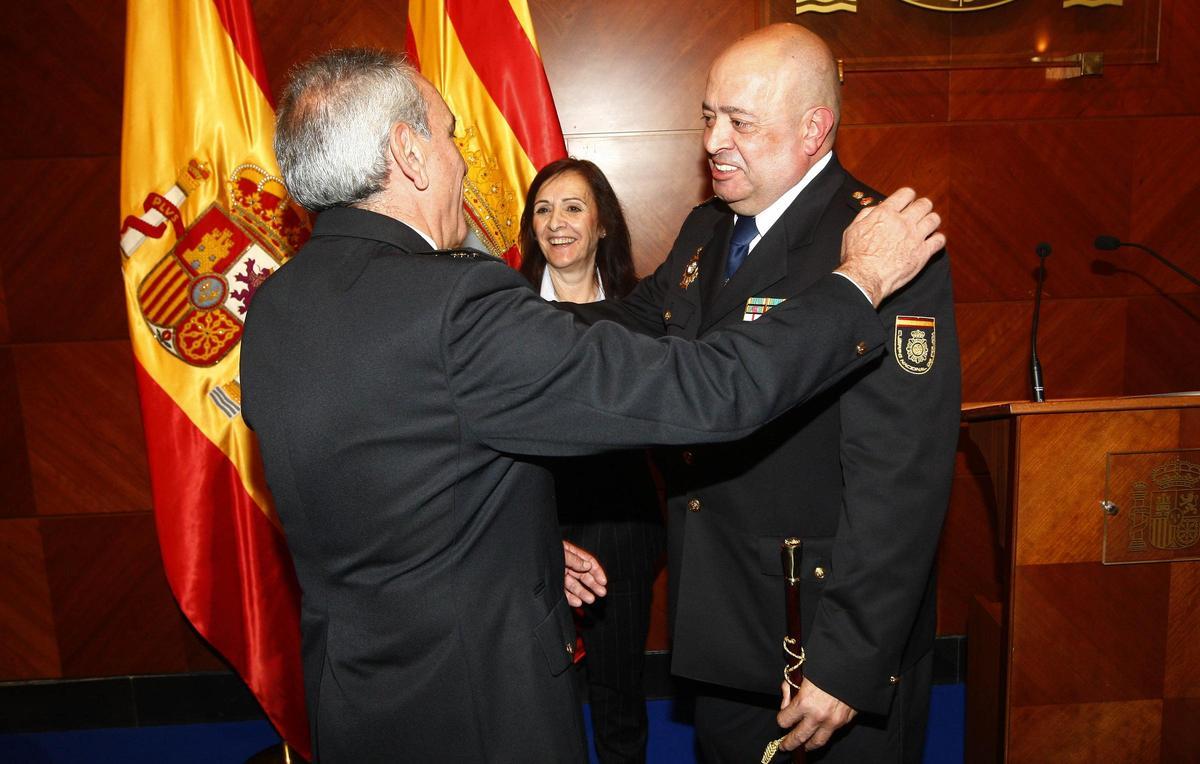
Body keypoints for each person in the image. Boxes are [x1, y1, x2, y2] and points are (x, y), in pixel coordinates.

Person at [240, 47, 944, 763]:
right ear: (409, 153)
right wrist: (859, 282)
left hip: (352, 691)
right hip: (478, 700)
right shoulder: (454, 302)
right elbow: (707, 388)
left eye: (738, 120)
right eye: (450, 136)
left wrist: (522, 546)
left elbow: (384, 474)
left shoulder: (277, 306)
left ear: (813, 126)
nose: (462, 161)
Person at [569, 23, 960, 763]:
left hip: (819, 635)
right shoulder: (707, 228)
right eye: (709, 115)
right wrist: (498, 320)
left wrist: (849, 661)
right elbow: (632, 322)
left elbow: (901, 478)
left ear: (814, 130)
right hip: (721, 623)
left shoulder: (881, 246)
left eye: (740, 122)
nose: (713, 141)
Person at [519, 158, 664, 763]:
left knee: (618, 692)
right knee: (528, 693)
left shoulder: (642, 312)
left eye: (573, 207)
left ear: (602, 225)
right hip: (524, 525)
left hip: (619, 523)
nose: (557, 222)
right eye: (544, 209)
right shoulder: (503, 313)